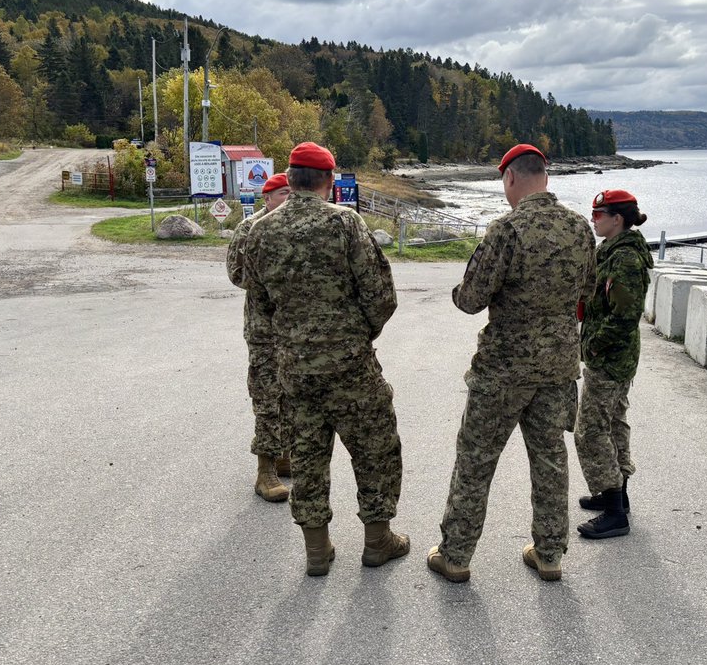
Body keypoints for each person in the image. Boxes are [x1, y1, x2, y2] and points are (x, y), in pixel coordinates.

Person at [428, 143, 596, 583]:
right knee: (550, 461)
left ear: (510, 179)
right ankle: (550, 554)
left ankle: (457, 556)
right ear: (545, 175)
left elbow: (471, 299)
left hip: (503, 371)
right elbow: (589, 293)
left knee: (476, 460)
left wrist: (461, 292)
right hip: (558, 369)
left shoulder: (507, 230)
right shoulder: (580, 229)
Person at [243, 142, 408, 576]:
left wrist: (294, 340)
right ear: (329, 182)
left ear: (291, 179)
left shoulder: (260, 229)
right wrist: (359, 334)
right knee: (375, 448)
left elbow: (259, 302)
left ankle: (317, 550)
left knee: (307, 456)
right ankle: (377, 541)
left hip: (294, 368)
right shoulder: (345, 223)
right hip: (350, 364)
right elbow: (380, 296)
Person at [573, 190, 653, 539]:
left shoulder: (624, 260)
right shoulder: (613, 251)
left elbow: (626, 316)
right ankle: (618, 494)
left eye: (599, 214)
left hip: (610, 356)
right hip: (613, 356)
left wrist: (591, 344)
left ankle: (614, 510)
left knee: (590, 430)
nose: (594, 219)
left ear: (617, 218)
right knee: (613, 421)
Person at [226, 172, 294, 503]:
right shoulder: (250, 227)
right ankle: (264, 471)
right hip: (264, 329)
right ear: (267, 198)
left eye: (292, 193)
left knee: (292, 397)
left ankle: (283, 456)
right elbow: (236, 274)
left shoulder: (295, 226)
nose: (288, 199)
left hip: (295, 330)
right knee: (268, 398)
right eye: (282, 194)